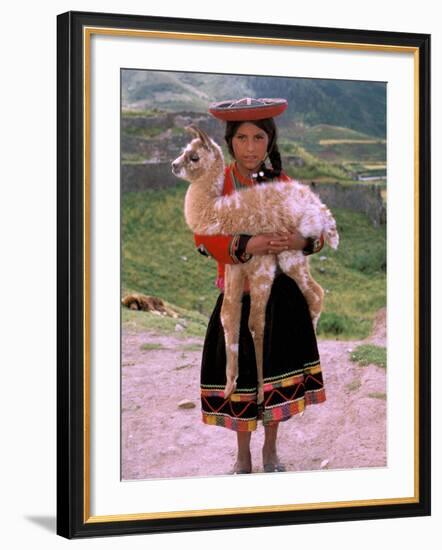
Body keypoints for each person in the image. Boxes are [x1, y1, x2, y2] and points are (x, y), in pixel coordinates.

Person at [194, 97, 326, 475]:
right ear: (230, 142)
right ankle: (242, 456)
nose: (250, 147)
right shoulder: (217, 186)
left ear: (269, 142)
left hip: (281, 299)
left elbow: (316, 230)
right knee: (242, 382)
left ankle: (269, 451)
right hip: (238, 297)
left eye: (258, 138)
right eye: (242, 139)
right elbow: (203, 237)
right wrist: (247, 244)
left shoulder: (283, 184)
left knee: (274, 380)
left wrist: (298, 242)